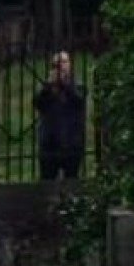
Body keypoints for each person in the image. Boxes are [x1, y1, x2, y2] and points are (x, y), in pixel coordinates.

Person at [33, 50, 87, 182]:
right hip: (49, 143)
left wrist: (65, 84)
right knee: (47, 180)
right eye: (56, 64)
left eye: (63, 62)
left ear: (70, 65)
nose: (60, 67)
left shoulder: (78, 85)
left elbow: (79, 100)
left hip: (71, 142)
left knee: (71, 180)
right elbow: (38, 103)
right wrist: (48, 86)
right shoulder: (47, 88)